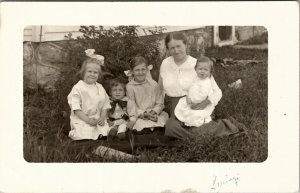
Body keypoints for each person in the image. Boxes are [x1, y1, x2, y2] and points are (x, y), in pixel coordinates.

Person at [159, 32, 222, 139]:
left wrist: (206, 102)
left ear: (186, 45)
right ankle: (202, 135)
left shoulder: (197, 65)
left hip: (199, 106)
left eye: (179, 46)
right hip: (177, 107)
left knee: (194, 125)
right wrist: (158, 108)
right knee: (170, 127)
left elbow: (217, 91)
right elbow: (160, 88)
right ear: (168, 49)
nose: (176, 51)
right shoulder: (165, 64)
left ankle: (223, 127)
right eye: (172, 48)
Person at [67, 49, 111, 140]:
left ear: (99, 75)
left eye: (95, 72)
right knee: (84, 133)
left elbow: (105, 105)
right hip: (83, 119)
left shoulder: (100, 87)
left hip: (97, 119)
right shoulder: (78, 88)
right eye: (89, 71)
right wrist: (88, 120)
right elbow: (76, 109)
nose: (92, 74)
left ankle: (101, 135)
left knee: (105, 131)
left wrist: (102, 118)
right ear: (83, 72)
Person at [126, 56, 169, 133]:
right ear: (132, 71)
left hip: (154, 113)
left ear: (147, 70)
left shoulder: (154, 85)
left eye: (143, 69)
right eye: (137, 70)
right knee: (139, 124)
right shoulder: (130, 87)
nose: (140, 73)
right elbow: (132, 106)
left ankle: (155, 134)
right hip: (140, 114)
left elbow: (160, 103)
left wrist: (153, 112)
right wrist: (144, 114)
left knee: (162, 120)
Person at [174, 56, 217, 127]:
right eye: (200, 69)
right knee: (181, 102)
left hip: (201, 102)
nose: (202, 71)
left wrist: (192, 100)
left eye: (205, 69)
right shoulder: (196, 78)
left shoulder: (207, 82)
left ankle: (194, 122)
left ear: (210, 72)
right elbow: (191, 87)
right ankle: (183, 119)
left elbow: (202, 95)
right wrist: (188, 95)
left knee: (196, 114)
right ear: (196, 69)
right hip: (193, 99)